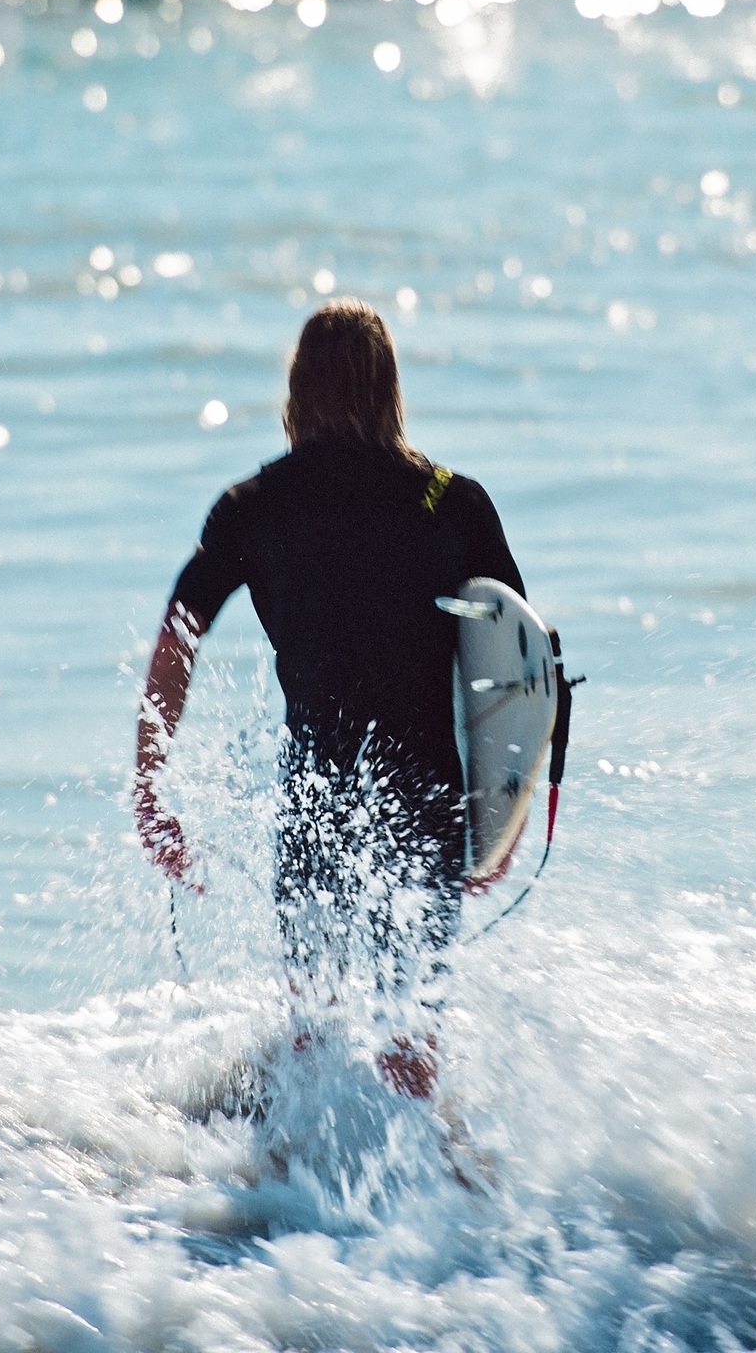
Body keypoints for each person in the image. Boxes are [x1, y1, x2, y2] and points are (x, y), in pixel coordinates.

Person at [133, 299, 527, 1099]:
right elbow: (520, 668)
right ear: (389, 389)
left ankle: (298, 1197)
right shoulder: (449, 499)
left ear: (296, 393)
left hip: (317, 804)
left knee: (312, 1037)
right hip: (425, 807)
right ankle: (428, 1203)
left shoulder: (255, 505)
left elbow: (179, 634)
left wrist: (150, 786)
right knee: (413, 1054)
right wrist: (506, 813)